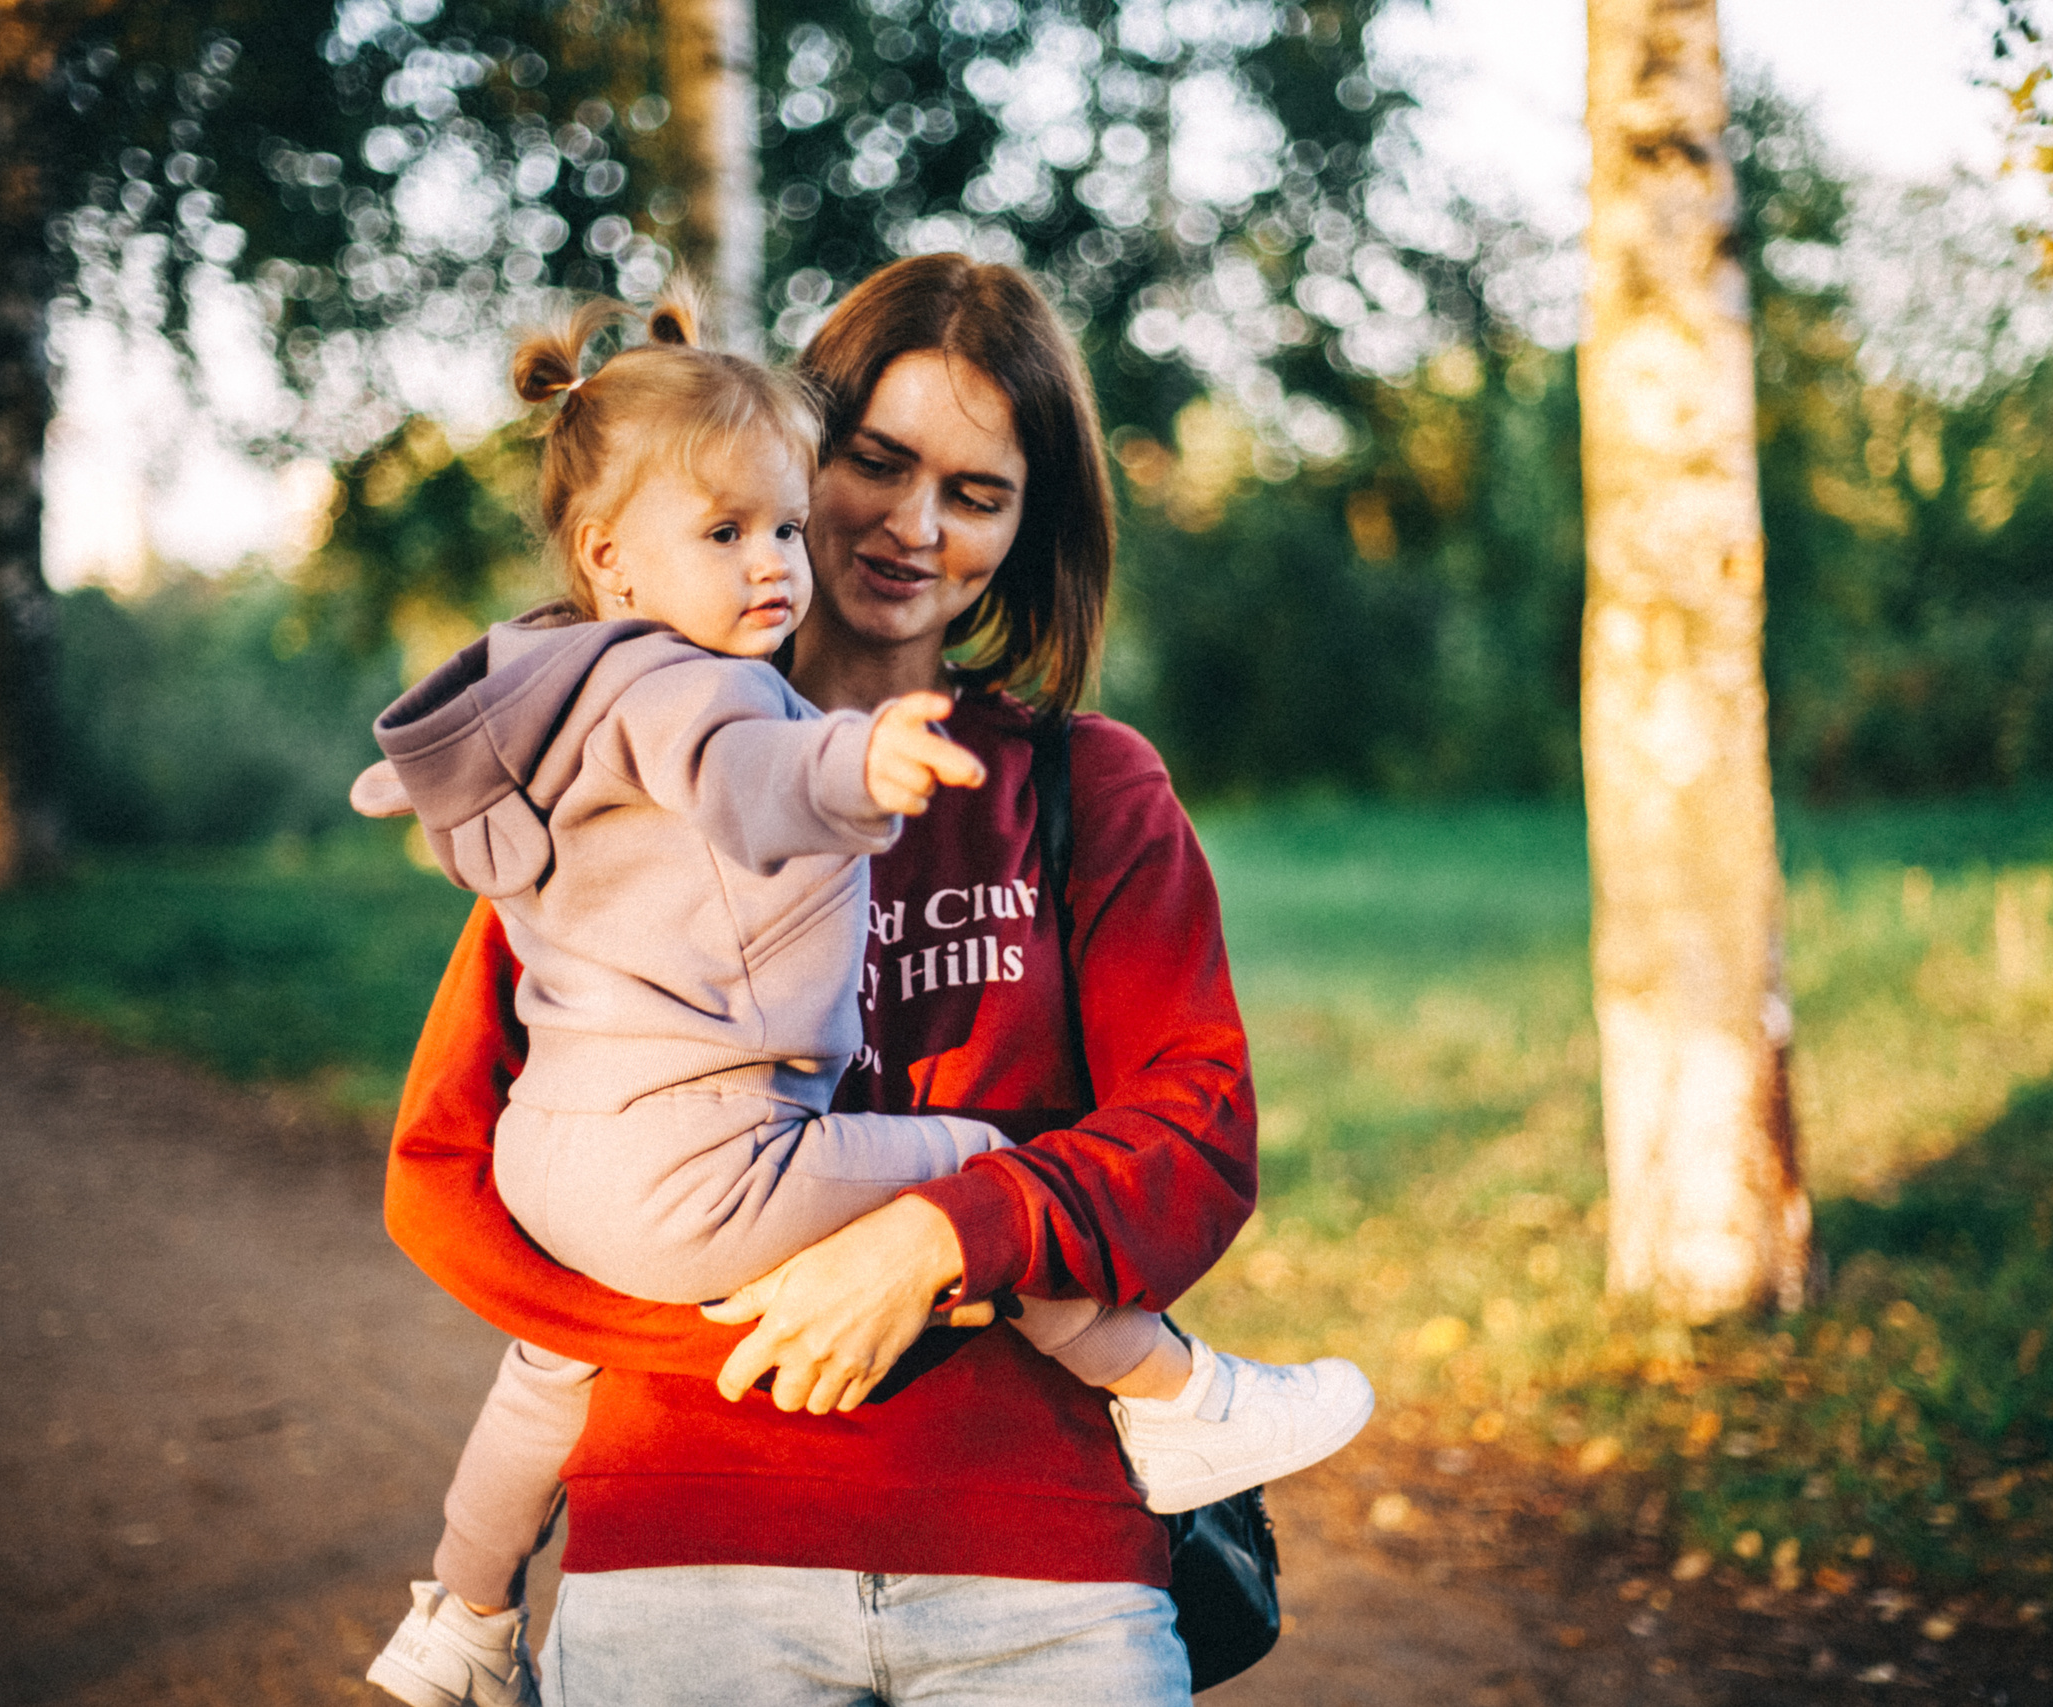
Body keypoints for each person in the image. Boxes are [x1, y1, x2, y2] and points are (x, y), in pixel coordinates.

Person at [376, 256, 1351, 1707]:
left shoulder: (1089, 786)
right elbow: (451, 1171)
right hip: (686, 1554)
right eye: (876, 465)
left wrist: (930, 1249)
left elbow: (1193, 1139)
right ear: (787, 455)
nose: (912, 526)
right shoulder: (606, 781)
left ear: (1029, 532)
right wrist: (750, 1316)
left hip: (1040, 1572)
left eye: (978, 493)